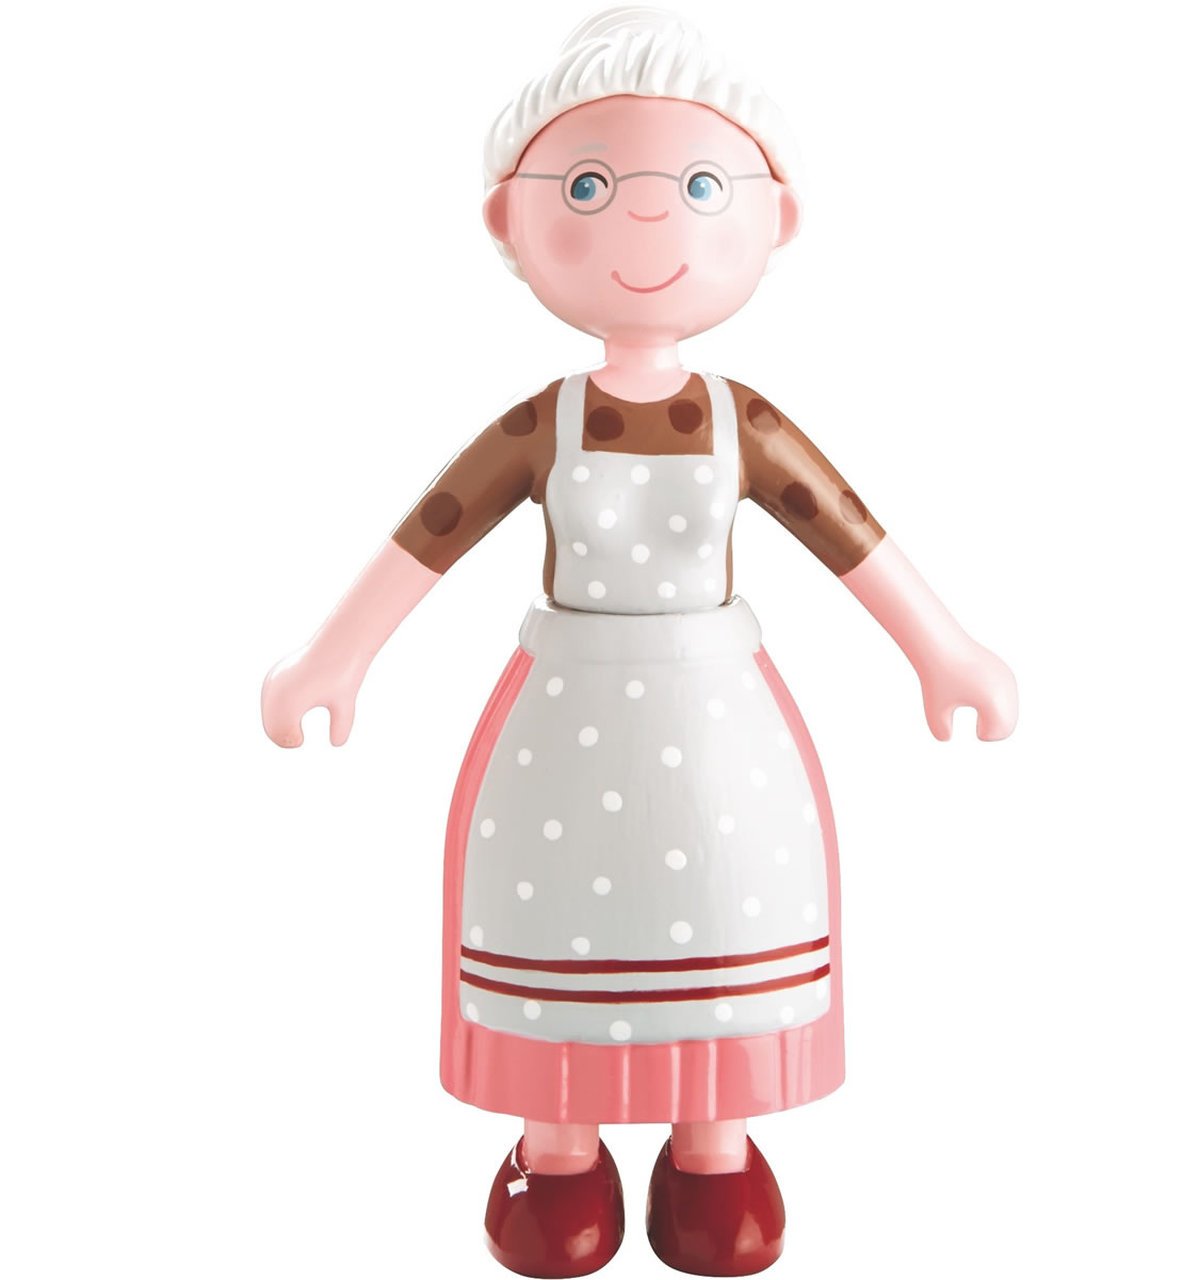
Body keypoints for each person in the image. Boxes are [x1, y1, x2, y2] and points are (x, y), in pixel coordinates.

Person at [261, 8, 1018, 1276]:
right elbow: (430, 532)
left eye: (700, 187)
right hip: (561, 713)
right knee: (549, 917)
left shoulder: (742, 420)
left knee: (719, 903)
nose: (649, 222)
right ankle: (554, 1147)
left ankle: (711, 1146)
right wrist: (335, 656)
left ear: (775, 218)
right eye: (589, 188)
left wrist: (942, 648)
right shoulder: (539, 424)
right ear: (509, 222)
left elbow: (846, 532)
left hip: (717, 718)